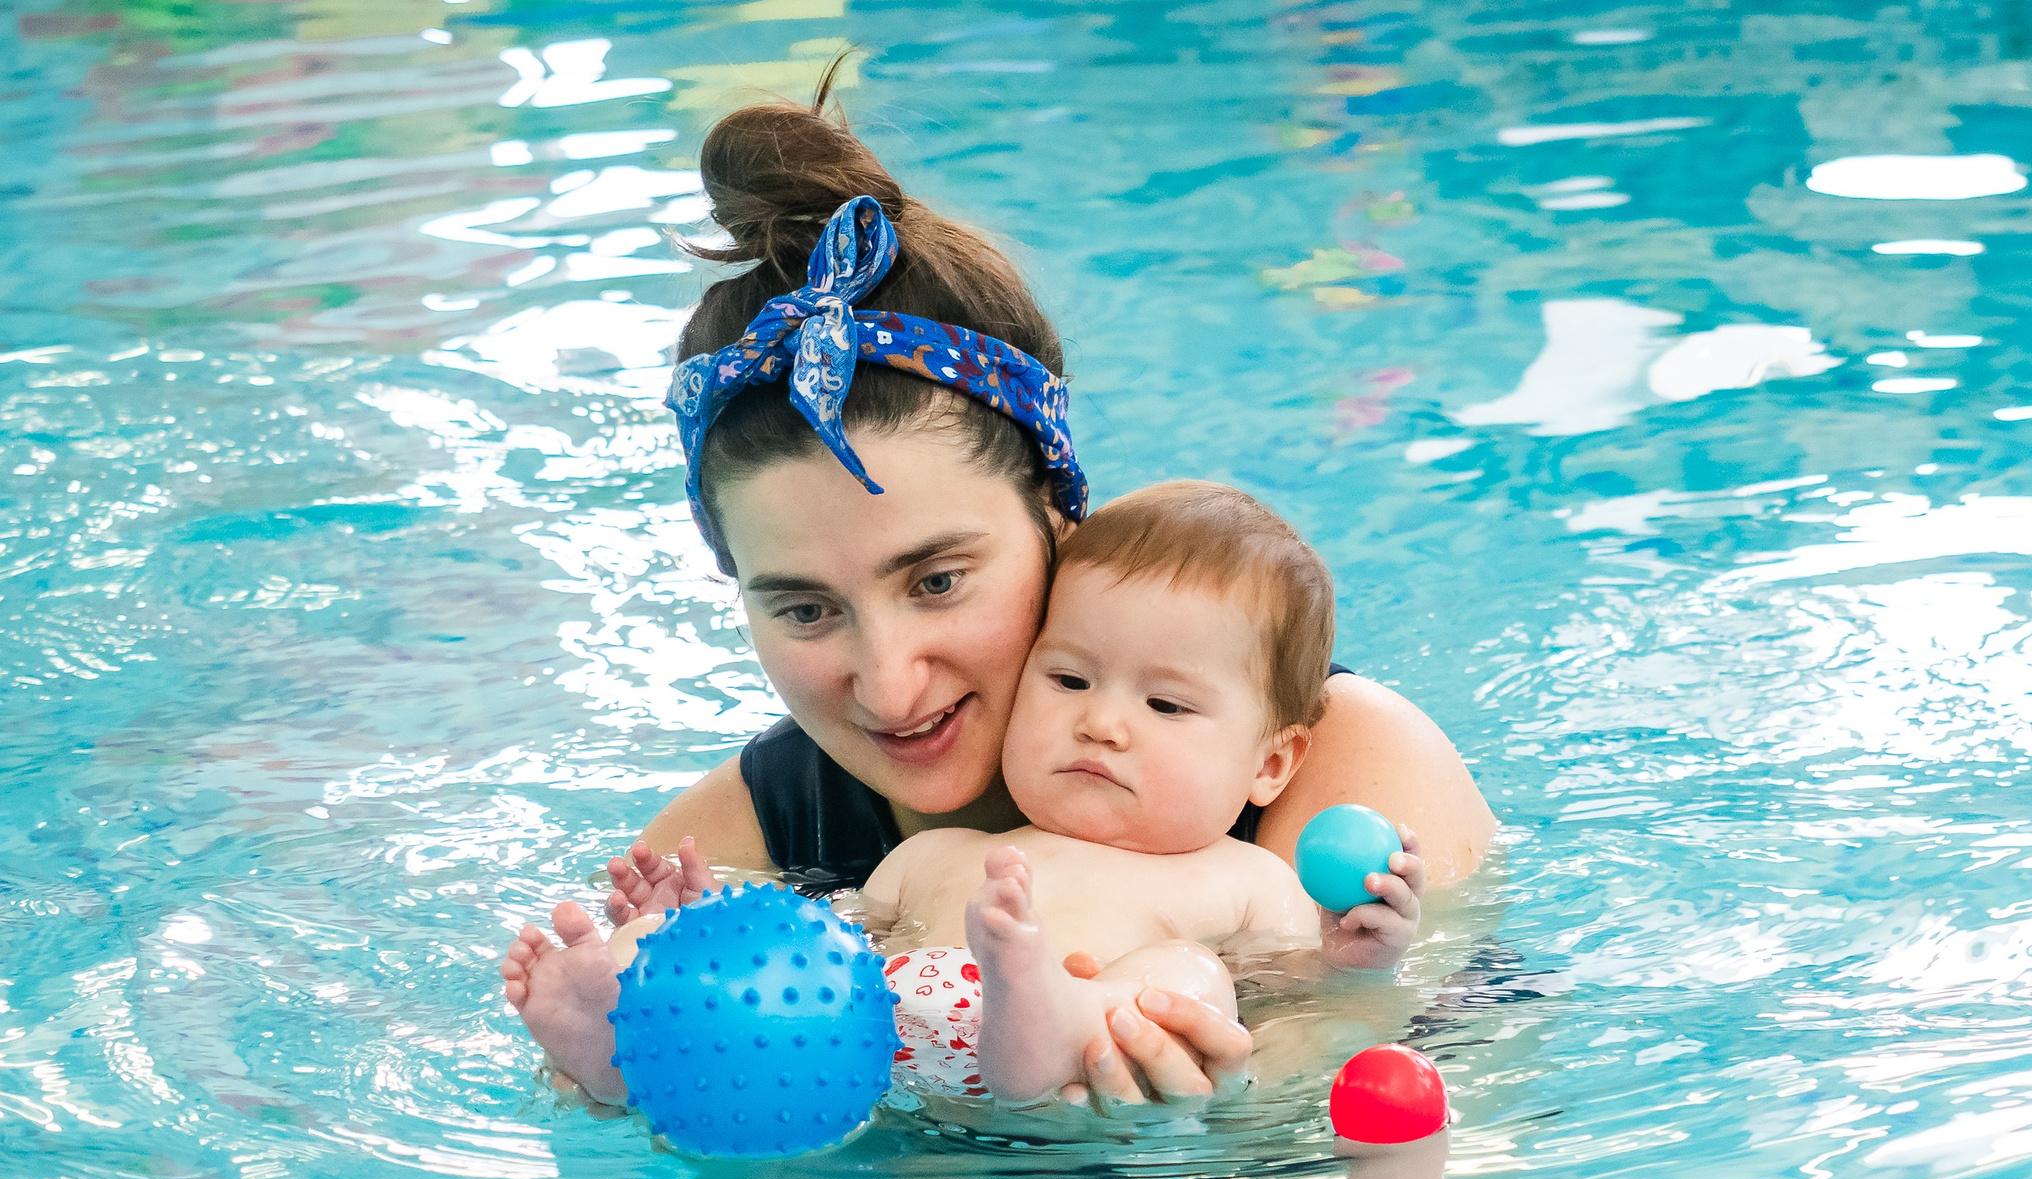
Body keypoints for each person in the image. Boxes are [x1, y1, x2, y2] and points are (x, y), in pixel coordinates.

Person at [498, 62, 1492, 1110]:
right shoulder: (736, 851)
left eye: (937, 580)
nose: (890, 686)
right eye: (805, 608)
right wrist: (648, 1062)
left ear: (1060, 518)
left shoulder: (1337, 763)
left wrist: (1262, 1092)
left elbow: (1455, 1090)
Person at [514, 476, 1429, 1105]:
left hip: (1098, 1054)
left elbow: (1306, 1004)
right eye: (1067, 680)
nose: (1103, 724)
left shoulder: (1246, 877)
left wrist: (1360, 960)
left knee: (1190, 978)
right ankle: (616, 1044)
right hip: (905, 1031)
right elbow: (841, 934)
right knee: (754, 992)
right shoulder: (939, 854)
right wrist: (710, 924)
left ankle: (1042, 1019)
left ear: (1271, 765)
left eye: (1165, 704)